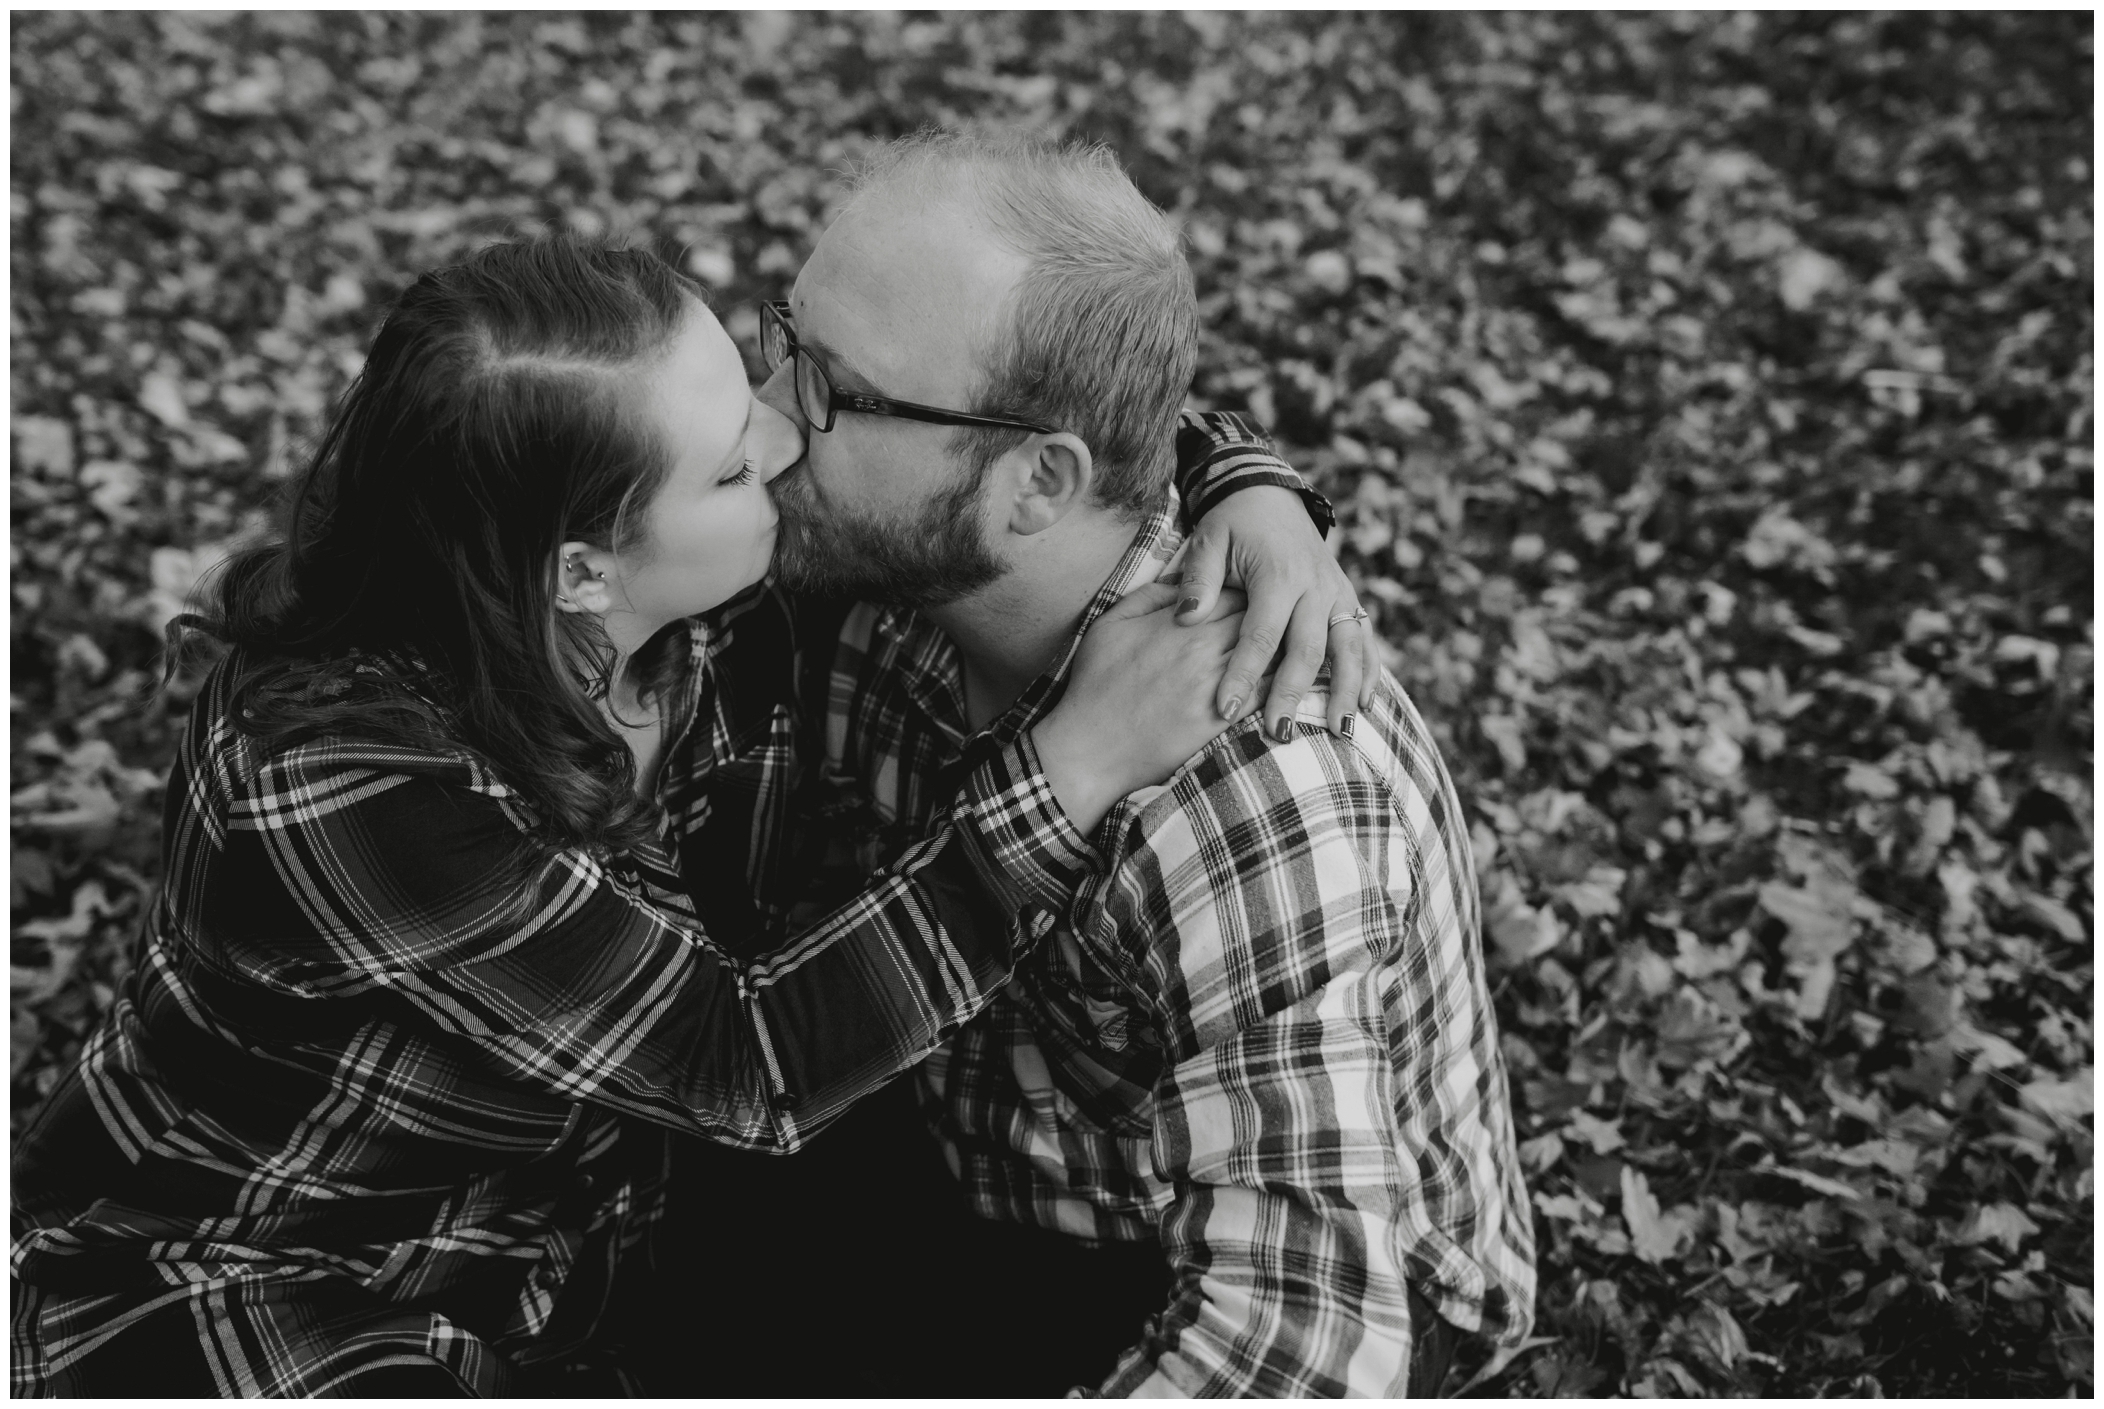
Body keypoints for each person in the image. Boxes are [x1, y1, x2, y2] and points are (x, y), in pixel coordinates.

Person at [8, 234, 1363, 1396]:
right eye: (728, 463)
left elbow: (996, 432)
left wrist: (1244, 481)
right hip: (297, 1275)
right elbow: (741, 1061)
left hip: (603, 1221)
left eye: (751, 381)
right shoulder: (347, 780)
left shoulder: (681, 589)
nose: (781, 433)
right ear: (583, 572)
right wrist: (1072, 766)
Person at [744, 132, 1538, 1397]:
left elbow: (1306, 1345)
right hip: (981, 1142)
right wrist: (1252, 468)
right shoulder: (892, 575)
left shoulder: (1250, 794)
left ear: (1036, 483)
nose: (765, 421)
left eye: (834, 390)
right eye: (781, 342)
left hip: (1218, 1266)